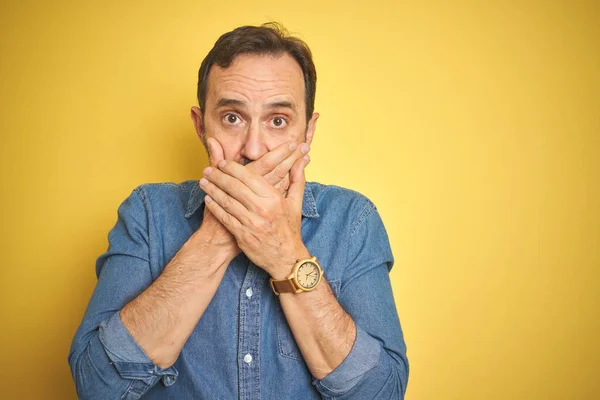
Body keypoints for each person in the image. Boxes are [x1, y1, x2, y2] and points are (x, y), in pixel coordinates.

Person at [68, 22, 409, 399]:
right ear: (201, 126)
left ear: (307, 132)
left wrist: (286, 255)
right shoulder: (148, 213)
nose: (254, 149)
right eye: (232, 117)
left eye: (278, 121)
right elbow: (96, 386)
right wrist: (217, 236)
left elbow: (383, 393)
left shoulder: (353, 221)